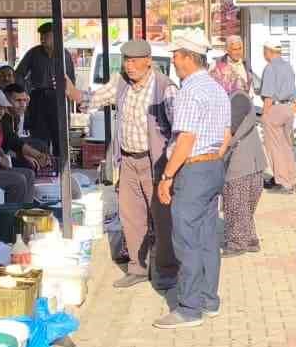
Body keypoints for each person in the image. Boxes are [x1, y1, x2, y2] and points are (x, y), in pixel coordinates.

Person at [155, 33, 231, 329]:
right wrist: (211, 159)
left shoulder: (189, 91)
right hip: (213, 166)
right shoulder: (217, 88)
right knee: (208, 238)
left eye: (175, 55)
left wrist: (167, 176)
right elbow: (226, 136)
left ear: (188, 57)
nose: (172, 60)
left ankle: (189, 308)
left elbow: (186, 139)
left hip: (194, 170)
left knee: (186, 239)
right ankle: (208, 300)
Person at [86, 40, 176, 289]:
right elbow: (92, 99)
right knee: (131, 216)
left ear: (148, 61)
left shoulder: (164, 88)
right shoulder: (121, 83)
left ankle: (168, 270)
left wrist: (170, 167)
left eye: (135, 61)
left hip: (154, 162)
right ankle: (137, 268)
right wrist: (71, 91)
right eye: (126, 60)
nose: (130, 66)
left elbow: (178, 128)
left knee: (162, 217)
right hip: (127, 160)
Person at [15, 22, 77, 170]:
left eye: (46, 36)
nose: (42, 39)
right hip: (38, 98)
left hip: (58, 99)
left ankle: (61, 170)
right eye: (41, 36)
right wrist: (25, 90)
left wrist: (66, 91)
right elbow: (19, 74)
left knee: (60, 136)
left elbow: (71, 81)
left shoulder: (65, 55)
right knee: (39, 137)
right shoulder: (34, 53)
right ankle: (42, 168)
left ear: (55, 37)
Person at [222, 90, 266, 257]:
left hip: (241, 161)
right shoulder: (239, 97)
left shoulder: (237, 98)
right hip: (251, 160)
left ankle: (237, 243)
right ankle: (249, 240)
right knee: (244, 205)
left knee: (236, 202)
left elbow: (230, 129)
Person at [258, 42, 296, 194]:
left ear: (268, 51)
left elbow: (268, 95)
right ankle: (292, 180)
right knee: (287, 147)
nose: (264, 55)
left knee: (274, 147)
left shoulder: (270, 68)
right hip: (288, 108)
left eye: (264, 52)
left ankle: (283, 181)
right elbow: (294, 90)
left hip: (274, 108)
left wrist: (264, 114)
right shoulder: (288, 66)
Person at [1, 86, 53, 170]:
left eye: (24, 100)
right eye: (18, 100)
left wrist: (27, 154)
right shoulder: (2, 118)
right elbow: (13, 142)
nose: (22, 104)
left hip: (11, 149)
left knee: (41, 145)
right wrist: (35, 155)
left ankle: (46, 167)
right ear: (6, 100)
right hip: (1, 155)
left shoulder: (16, 115)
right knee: (29, 164)